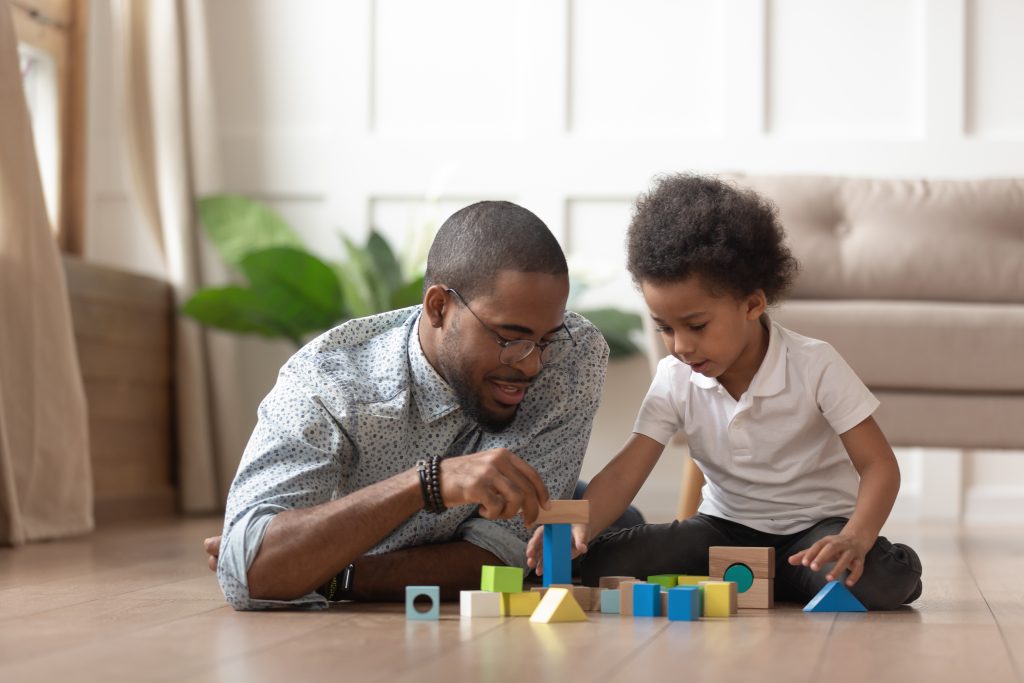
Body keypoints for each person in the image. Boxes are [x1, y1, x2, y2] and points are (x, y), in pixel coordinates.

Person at [526, 174, 923, 610]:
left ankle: (865, 566)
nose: (680, 346)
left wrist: (856, 537)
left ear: (752, 304)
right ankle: (772, 582)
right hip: (721, 529)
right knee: (603, 564)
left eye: (696, 326)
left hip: (813, 531)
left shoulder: (816, 364)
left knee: (874, 581)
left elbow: (878, 464)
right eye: (664, 328)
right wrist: (580, 526)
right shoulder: (674, 377)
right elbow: (625, 473)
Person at [207, 200, 610, 610]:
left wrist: (328, 574)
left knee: (610, 537)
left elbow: (501, 557)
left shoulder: (571, 357)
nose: (531, 364)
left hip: (553, 509)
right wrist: (426, 484)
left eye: (545, 340)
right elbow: (251, 573)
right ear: (439, 308)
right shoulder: (327, 383)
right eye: (509, 337)